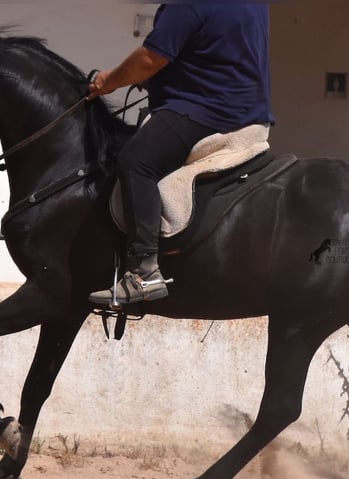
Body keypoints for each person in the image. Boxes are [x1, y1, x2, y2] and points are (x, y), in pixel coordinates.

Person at [87, 3, 274, 306]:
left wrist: (108, 81)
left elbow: (149, 58)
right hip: (248, 111)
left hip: (206, 112)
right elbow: (217, 49)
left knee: (135, 162)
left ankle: (143, 271)